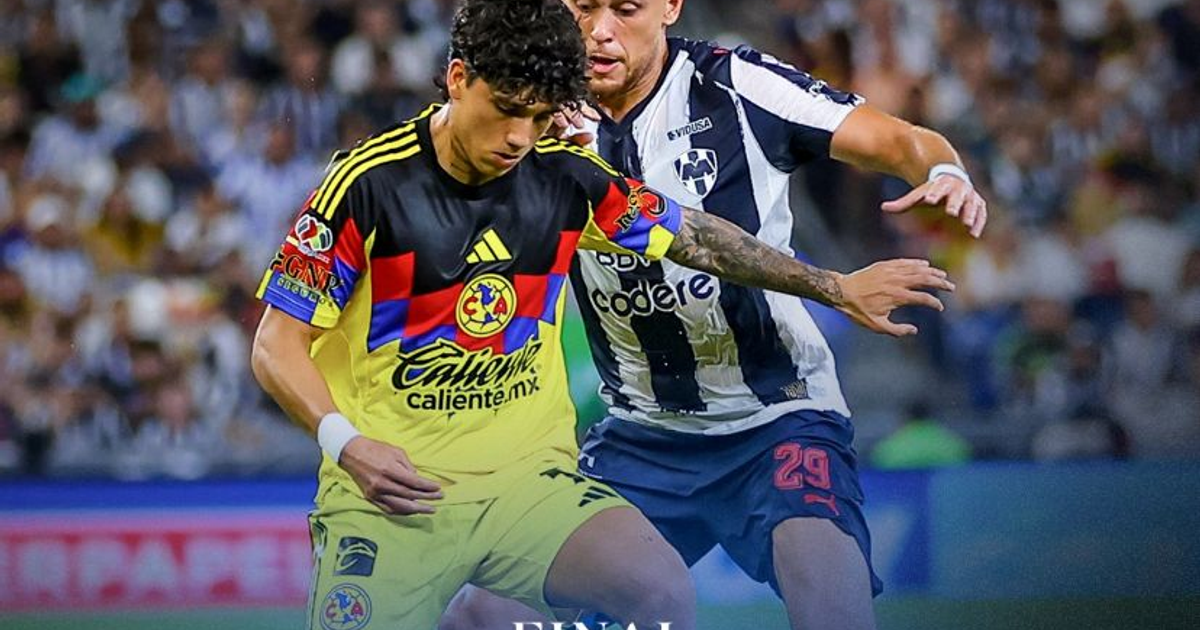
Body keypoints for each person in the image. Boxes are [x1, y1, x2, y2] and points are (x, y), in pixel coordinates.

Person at [250, 1, 953, 629]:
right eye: (506, 109)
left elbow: (697, 236)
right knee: (490, 618)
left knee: (673, 594)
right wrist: (346, 441)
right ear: (459, 79)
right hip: (417, 489)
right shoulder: (364, 186)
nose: (520, 137)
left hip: (605, 465)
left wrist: (833, 284)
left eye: (536, 114)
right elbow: (275, 345)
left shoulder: (572, 171)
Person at [442, 1, 987, 630]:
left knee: (832, 608)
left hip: (778, 417)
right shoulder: (530, 116)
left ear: (671, 5)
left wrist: (943, 168)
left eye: (625, 8)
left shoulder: (735, 85)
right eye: (583, 8)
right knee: (478, 615)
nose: (600, 31)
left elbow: (898, 139)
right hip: (640, 434)